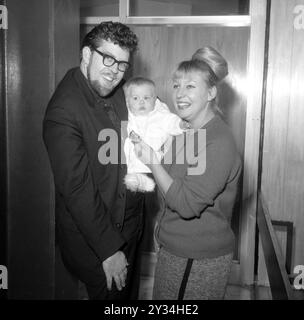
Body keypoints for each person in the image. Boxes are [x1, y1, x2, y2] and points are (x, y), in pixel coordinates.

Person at [43, 21, 144, 300]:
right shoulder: (63, 111)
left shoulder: (119, 90)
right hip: (99, 241)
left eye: (122, 64)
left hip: (130, 222)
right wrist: (109, 250)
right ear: (87, 55)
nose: (115, 71)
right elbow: (77, 190)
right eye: (108, 58)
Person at [132, 47, 242, 300]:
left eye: (190, 86)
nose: (179, 94)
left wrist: (153, 162)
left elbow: (186, 204)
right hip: (176, 248)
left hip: (197, 256)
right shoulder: (187, 132)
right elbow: (173, 188)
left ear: (211, 92)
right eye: (176, 85)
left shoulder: (218, 140)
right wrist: (161, 226)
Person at [123, 76, 188, 193]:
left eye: (146, 98)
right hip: (130, 164)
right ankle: (138, 181)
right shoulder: (129, 114)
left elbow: (171, 122)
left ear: (154, 99)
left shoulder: (160, 115)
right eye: (135, 98)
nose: (141, 102)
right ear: (128, 101)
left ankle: (145, 183)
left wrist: (181, 125)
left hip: (152, 164)